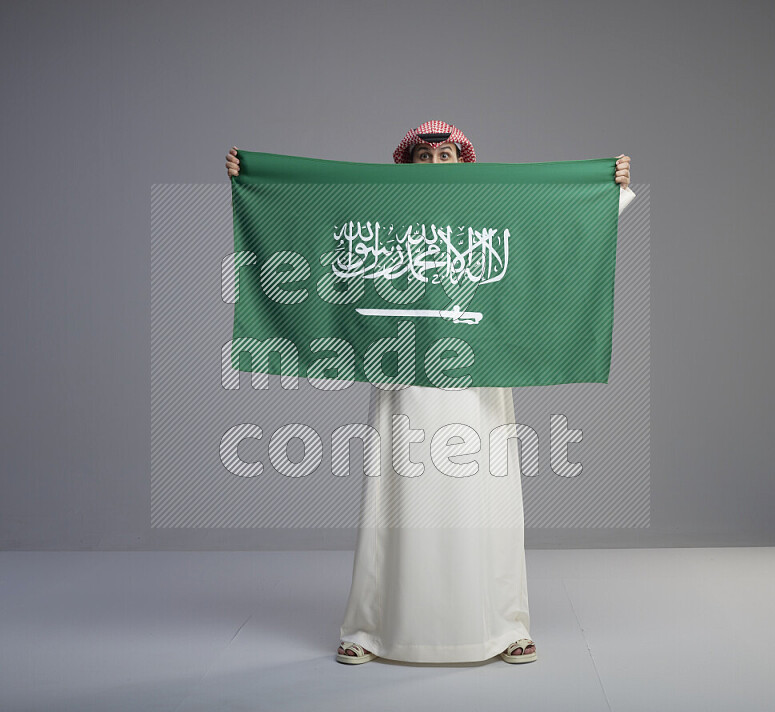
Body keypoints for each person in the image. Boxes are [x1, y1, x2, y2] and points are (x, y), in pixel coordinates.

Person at [225, 122, 634, 665]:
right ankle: (370, 628)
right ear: (406, 167)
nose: (437, 165)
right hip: (403, 373)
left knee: (486, 497)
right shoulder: (381, 217)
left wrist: (610, 190)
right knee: (396, 497)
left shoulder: (490, 209)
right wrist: (256, 183)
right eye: (425, 156)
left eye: (447, 155)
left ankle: (507, 625)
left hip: (481, 373)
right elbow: (313, 220)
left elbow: (554, 225)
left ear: (464, 165)